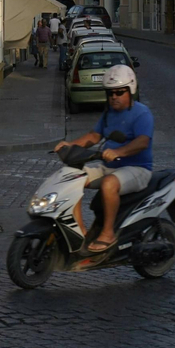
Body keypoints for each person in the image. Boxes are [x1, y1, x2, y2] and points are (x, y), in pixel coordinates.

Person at [51, 64, 153, 254]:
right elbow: (94, 136)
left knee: (108, 184)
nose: (114, 96)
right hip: (110, 167)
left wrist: (119, 152)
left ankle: (108, 234)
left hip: (137, 169)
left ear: (130, 90)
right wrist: (70, 145)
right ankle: (80, 232)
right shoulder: (109, 113)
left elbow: (142, 142)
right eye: (111, 92)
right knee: (71, 177)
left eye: (119, 92)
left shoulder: (142, 113)